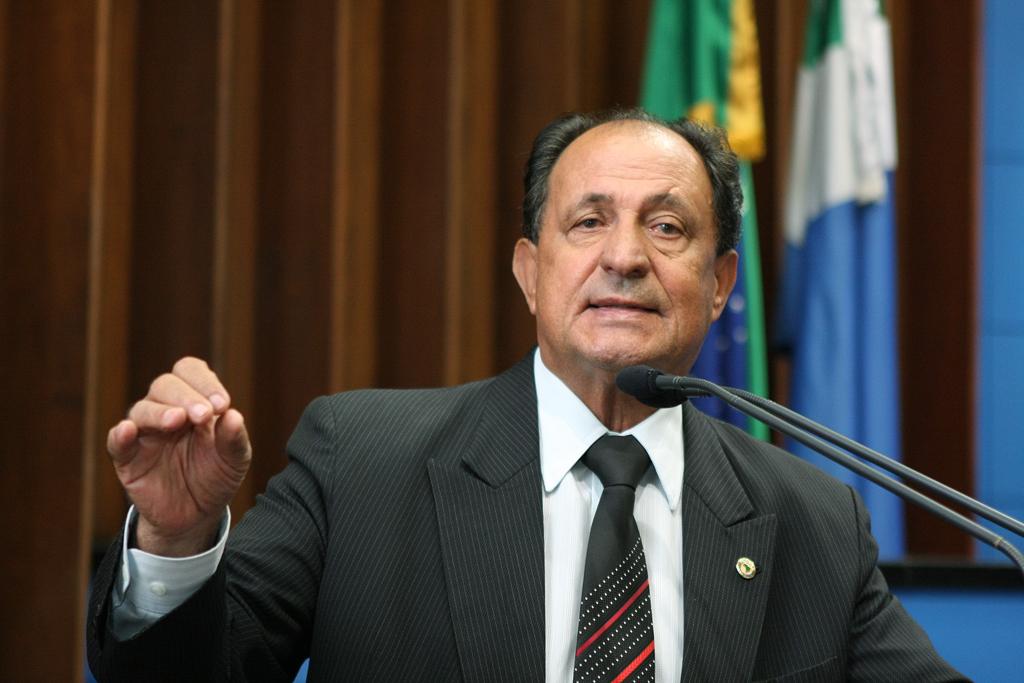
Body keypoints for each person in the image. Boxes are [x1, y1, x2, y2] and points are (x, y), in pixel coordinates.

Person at [87, 109, 964, 682]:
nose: (624, 256)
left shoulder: (811, 520)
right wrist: (176, 542)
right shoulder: (360, 462)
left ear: (721, 282)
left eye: (666, 227)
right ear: (530, 271)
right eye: (589, 221)